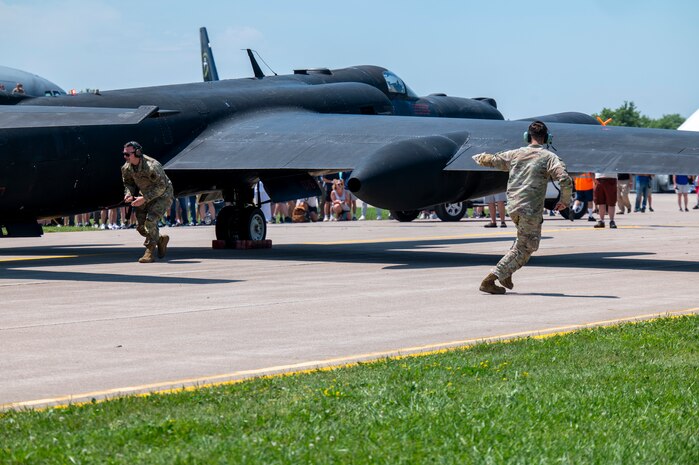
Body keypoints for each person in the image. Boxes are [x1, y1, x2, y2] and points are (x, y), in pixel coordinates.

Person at [472, 121, 572, 294]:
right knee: (528, 246)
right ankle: (492, 278)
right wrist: (565, 200)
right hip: (530, 209)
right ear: (547, 138)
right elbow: (564, 179)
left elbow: (493, 160)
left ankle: (506, 273)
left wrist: (478, 156)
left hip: (513, 206)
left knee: (521, 241)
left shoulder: (515, 154)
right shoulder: (549, 157)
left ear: (527, 137)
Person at [121, 141, 174, 263]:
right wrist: (128, 194)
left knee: (150, 222)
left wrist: (144, 199)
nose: (125, 157)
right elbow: (128, 183)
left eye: (128, 154)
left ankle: (149, 253)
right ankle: (160, 240)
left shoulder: (152, 166)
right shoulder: (127, 168)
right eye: (124, 154)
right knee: (141, 228)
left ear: (138, 153)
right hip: (145, 195)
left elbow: (161, 187)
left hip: (163, 195)